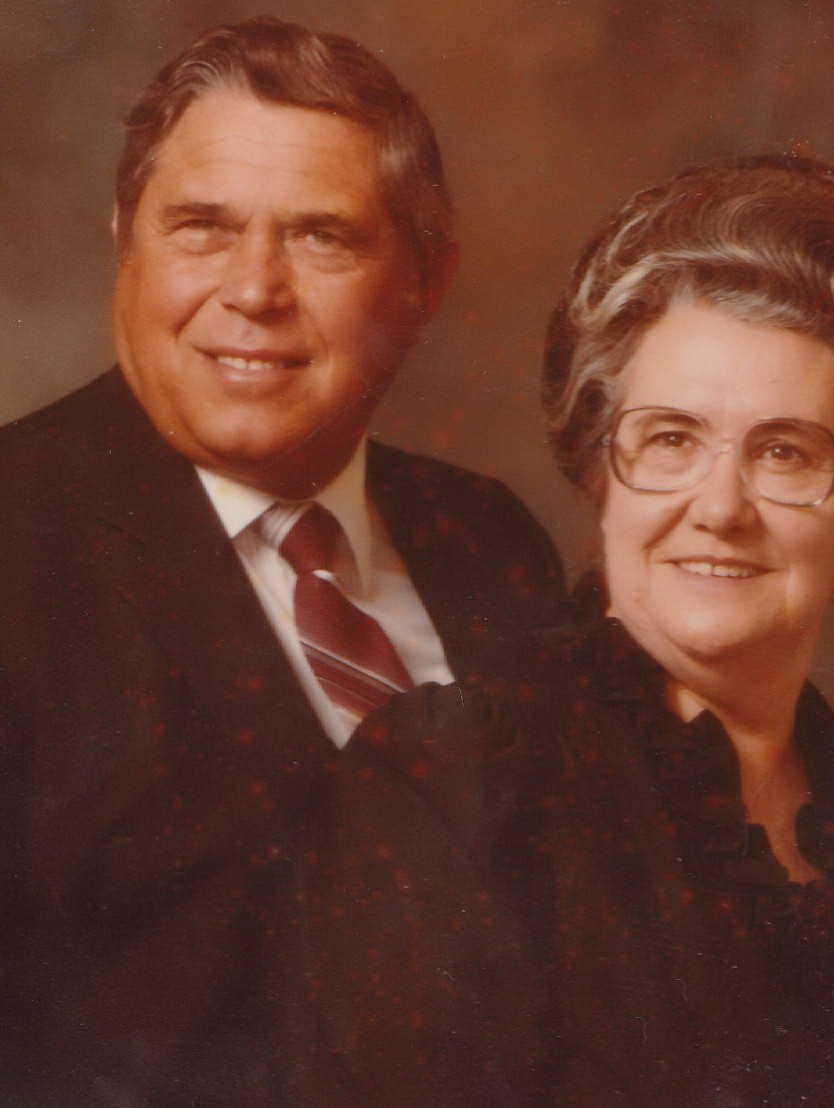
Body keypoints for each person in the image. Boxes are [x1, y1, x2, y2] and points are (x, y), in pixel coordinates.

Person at [0, 17, 562, 1104]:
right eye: (201, 228)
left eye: (321, 237)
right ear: (125, 240)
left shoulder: (490, 542)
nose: (254, 289)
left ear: (427, 277)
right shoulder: (15, 542)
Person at [346, 155, 834, 1105]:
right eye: (671, 438)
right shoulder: (459, 785)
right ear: (600, 471)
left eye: (785, 452)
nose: (719, 508)